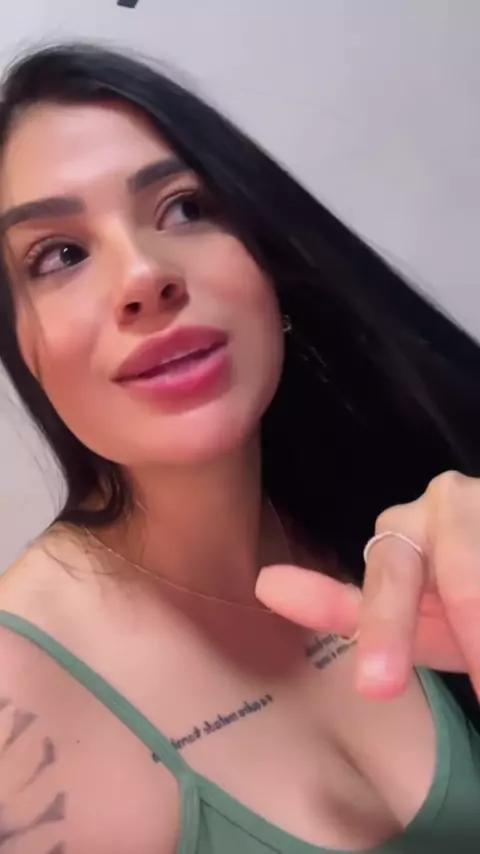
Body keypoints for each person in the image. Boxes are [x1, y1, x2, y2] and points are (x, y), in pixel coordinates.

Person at [0, 42, 480, 854]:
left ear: (267, 264)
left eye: (185, 207)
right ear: (24, 351)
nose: (144, 276)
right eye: (59, 255)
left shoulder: (411, 518)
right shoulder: (19, 712)